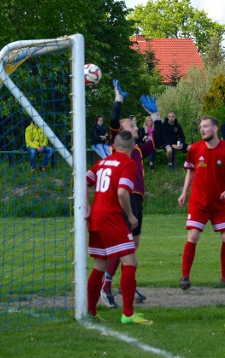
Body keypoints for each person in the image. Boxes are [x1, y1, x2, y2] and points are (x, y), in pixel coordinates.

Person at [99, 80, 161, 308]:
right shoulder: (119, 146)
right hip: (123, 198)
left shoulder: (138, 150)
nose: (136, 128)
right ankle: (106, 288)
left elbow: (160, 140)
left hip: (137, 200)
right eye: (132, 126)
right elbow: (114, 121)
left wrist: (156, 116)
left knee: (132, 246)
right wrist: (118, 99)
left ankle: (128, 285)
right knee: (123, 244)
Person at [85, 129, 152, 325]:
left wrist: (87, 206)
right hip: (112, 218)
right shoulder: (129, 163)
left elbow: (84, 180)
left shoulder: (103, 162)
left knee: (100, 264)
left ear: (113, 146)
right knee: (130, 261)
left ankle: (91, 310)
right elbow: (123, 192)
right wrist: (130, 216)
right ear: (132, 148)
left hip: (96, 217)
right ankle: (128, 314)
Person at [177, 116, 225, 290]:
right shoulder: (194, 148)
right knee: (193, 236)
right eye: (201, 126)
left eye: (206, 126)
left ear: (215, 128)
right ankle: (185, 278)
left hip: (219, 203)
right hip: (199, 202)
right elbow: (190, 171)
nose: (202, 129)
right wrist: (184, 192)